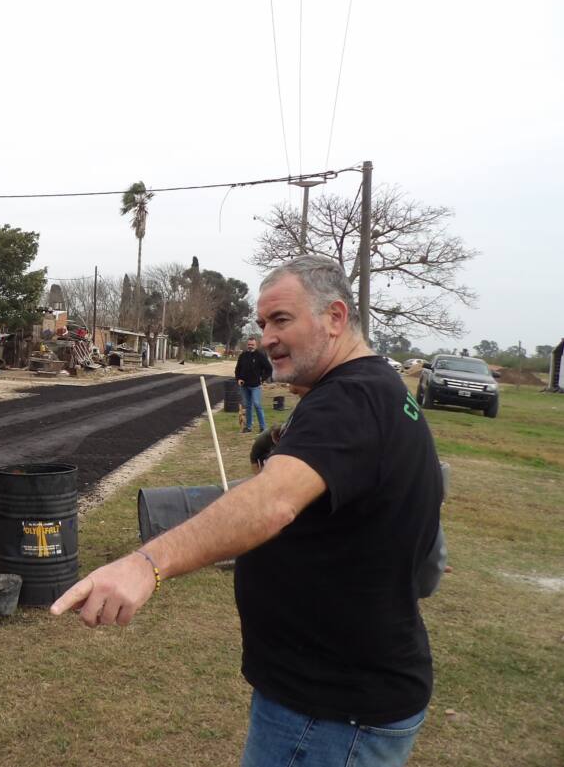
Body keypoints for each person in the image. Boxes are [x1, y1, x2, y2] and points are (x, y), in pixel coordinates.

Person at [51, 255, 443, 767]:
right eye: (262, 324)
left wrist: (146, 563)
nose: (267, 336)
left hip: (330, 712)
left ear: (335, 317)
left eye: (282, 320)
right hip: (337, 693)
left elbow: (273, 503)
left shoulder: (349, 400)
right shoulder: (380, 392)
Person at [234, 336, 273, 433]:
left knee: (257, 404)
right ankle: (249, 427)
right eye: (249, 344)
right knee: (248, 406)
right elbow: (237, 369)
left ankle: (263, 427)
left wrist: (262, 379)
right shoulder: (243, 355)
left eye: (252, 345)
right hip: (244, 386)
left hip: (256, 386)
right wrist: (238, 378)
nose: (250, 346)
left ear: (256, 345)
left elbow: (269, 369)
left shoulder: (260, 356)